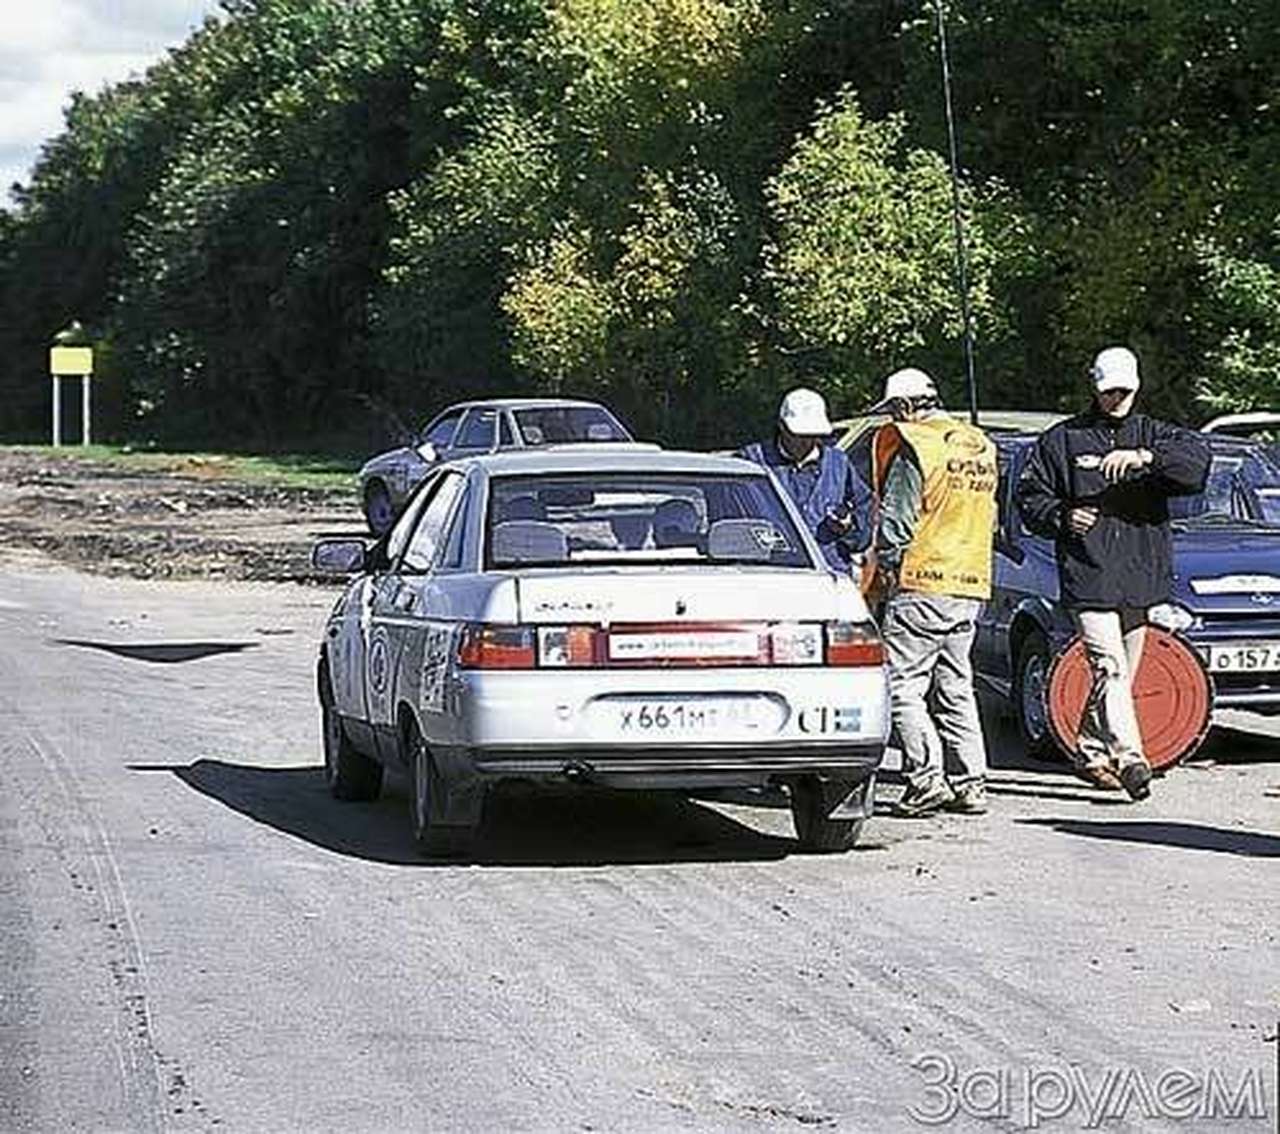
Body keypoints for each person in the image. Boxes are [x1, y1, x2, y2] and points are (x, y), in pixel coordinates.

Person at [1016, 346, 1210, 800]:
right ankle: (1131, 759)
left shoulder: (1157, 436)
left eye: (1124, 390)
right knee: (1110, 667)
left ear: (1137, 387)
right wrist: (1062, 516)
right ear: (1094, 387)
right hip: (1088, 575)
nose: (1116, 398)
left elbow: (1196, 467)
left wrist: (1146, 458)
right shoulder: (1060, 441)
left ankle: (1088, 748)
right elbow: (1028, 499)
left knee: (1116, 675)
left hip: (1141, 578)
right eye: (1108, 391)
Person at [869, 367, 998, 816]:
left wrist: (884, 569)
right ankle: (971, 783)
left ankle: (926, 780)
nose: (892, 420)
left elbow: (897, 522)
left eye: (892, 411)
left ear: (905, 406)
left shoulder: (916, 447)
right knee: (956, 686)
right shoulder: (979, 444)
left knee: (902, 685)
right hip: (970, 581)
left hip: (922, 580)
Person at [740, 388, 872, 574]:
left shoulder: (839, 464)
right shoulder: (752, 461)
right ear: (781, 426)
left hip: (829, 574)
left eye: (812, 434)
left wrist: (847, 528)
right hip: (767, 573)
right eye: (799, 435)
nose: (806, 442)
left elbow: (864, 519)